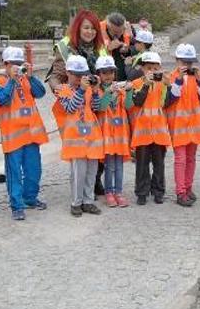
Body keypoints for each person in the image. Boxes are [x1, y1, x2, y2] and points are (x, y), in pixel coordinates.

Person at [48, 9, 109, 196]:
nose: (90, 32)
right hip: (75, 105)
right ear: (78, 28)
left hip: (95, 101)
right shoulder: (66, 48)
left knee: (98, 146)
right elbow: (55, 76)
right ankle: (79, 193)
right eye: (86, 28)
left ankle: (94, 182)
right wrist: (62, 91)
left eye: (93, 28)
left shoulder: (100, 49)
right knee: (79, 150)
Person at [0, 47, 49, 221]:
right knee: (14, 173)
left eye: (19, 64)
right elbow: (2, 99)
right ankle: (16, 205)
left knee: (34, 171)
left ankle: (30, 198)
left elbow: (41, 93)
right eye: (13, 64)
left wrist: (30, 76)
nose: (17, 67)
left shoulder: (25, 78)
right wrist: (13, 81)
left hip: (31, 135)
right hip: (13, 137)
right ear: (5, 64)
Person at [52, 55, 105, 217]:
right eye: (76, 74)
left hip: (91, 137)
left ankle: (88, 201)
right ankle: (76, 202)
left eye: (82, 74)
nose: (79, 78)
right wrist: (81, 90)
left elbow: (95, 107)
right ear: (68, 73)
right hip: (75, 139)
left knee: (91, 172)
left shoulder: (89, 89)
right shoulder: (63, 90)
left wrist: (95, 92)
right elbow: (70, 108)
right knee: (78, 173)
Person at [165, 43, 200, 206]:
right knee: (180, 160)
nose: (187, 65)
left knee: (191, 159)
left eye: (190, 62)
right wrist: (179, 79)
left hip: (194, 127)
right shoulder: (171, 77)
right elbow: (172, 97)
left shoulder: (197, 77)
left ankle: (188, 188)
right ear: (177, 60)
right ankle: (180, 192)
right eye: (184, 62)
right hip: (179, 127)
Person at [128, 51, 173, 205]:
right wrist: (146, 85)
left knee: (159, 165)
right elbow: (138, 102)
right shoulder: (137, 83)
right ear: (142, 68)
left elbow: (166, 103)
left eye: (155, 68)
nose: (152, 71)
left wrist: (168, 85)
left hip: (159, 133)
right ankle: (142, 192)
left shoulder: (163, 83)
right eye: (149, 68)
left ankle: (158, 192)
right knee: (142, 165)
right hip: (142, 134)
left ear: (159, 67)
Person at [95, 56, 132, 208]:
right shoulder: (97, 91)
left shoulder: (120, 90)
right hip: (107, 135)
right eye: (104, 72)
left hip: (120, 135)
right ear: (99, 74)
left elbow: (129, 106)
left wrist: (129, 92)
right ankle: (109, 192)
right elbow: (101, 107)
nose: (108, 75)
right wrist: (109, 92)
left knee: (119, 166)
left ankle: (119, 192)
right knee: (109, 166)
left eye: (111, 72)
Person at [100, 12, 135, 82]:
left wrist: (128, 51)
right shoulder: (98, 31)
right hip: (107, 73)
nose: (119, 34)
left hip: (124, 72)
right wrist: (108, 49)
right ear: (108, 27)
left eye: (121, 31)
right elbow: (94, 53)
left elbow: (139, 49)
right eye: (115, 32)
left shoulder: (130, 29)